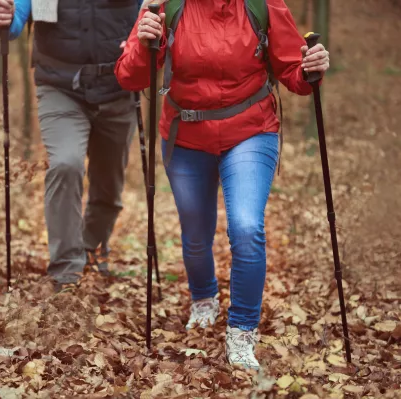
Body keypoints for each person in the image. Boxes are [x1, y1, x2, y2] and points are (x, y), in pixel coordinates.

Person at [115, 0, 330, 369]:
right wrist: (146, 42)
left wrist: (310, 68)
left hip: (250, 130)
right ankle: (203, 300)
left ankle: (242, 332)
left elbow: (293, 72)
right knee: (196, 231)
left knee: (246, 227)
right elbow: (130, 78)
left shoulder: (262, 6)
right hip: (185, 136)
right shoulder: (165, 6)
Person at [0, 0, 140, 290]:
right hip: (60, 87)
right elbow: (17, 15)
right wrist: (6, 19)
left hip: (119, 88)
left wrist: (149, 35)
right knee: (65, 164)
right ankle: (66, 271)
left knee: (109, 189)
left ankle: (90, 246)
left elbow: (151, 8)